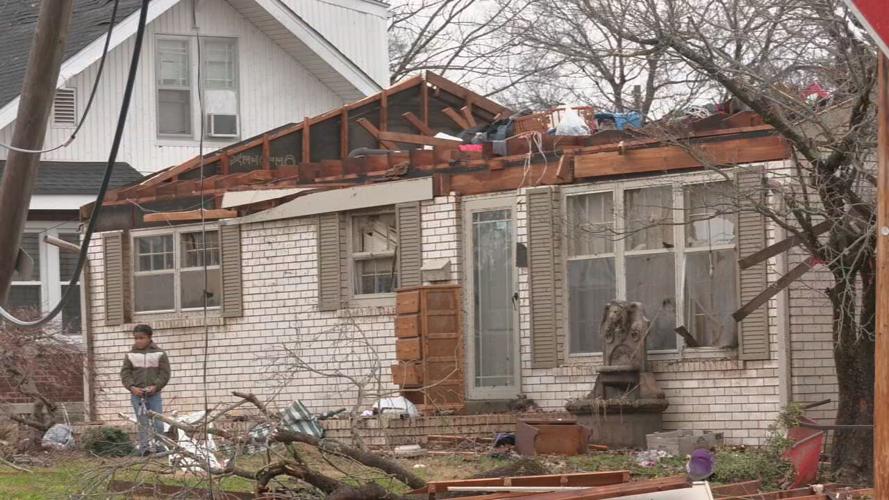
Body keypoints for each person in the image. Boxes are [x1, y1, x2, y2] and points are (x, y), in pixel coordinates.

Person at [120, 324, 171, 455]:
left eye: (141, 338)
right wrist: (132, 387)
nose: (138, 341)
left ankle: (160, 448)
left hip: (154, 395)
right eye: (136, 338)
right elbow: (125, 374)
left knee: (158, 422)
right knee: (142, 423)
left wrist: (156, 386)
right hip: (137, 395)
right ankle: (145, 450)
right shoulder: (130, 355)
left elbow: (165, 374)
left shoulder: (160, 353)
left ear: (149, 337)